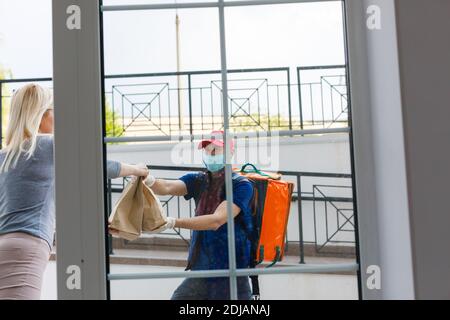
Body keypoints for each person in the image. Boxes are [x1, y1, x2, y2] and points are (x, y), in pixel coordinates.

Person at [0, 83, 148, 300]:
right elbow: (96, 164)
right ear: (41, 115)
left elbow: (44, 202)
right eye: (53, 110)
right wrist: (136, 169)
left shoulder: (5, 156)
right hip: (28, 246)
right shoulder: (50, 145)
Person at [144, 130, 254, 300]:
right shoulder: (198, 180)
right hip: (201, 269)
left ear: (230, 153)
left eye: (215, 150)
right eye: (207, 150)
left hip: (231, 273)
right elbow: (166, 187)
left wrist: (173, 222)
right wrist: (148, 180)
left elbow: (216, 220)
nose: (210, 154)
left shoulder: (241, 186)